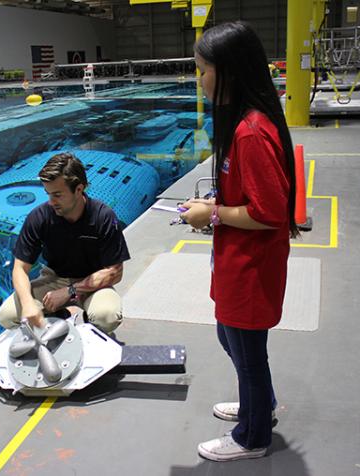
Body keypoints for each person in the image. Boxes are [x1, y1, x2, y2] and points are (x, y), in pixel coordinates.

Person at [180, 21, 299, 462]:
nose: (200, 80)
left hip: (251, 268)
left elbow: (269, 212)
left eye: (203, 69)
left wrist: (211, 213)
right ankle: (258, 406)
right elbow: (248, 196)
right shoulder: (242, 126)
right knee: (233, 341)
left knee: (247, 353)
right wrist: (218, 201)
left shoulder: (251, 133)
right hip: (236, 261)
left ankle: (253, 436)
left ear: (228, 71)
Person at [0, 152, 129, 334]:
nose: (51, 202)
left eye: (58, 195)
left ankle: (91, 329)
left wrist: (69, 292)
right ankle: (58, 316)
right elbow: (20, 268)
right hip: (53, 278)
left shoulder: (103, 217)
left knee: (107, 316)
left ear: (79, 189)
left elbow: (115, 272)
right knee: (7, 315)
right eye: (48, 194)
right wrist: (28, 304)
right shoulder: (39, 217)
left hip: (92, 282)